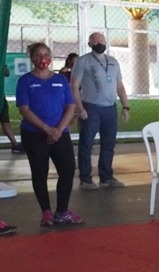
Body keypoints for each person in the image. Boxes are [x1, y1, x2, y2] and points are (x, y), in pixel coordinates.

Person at [16, 42, 82, 226]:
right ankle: (46, 211)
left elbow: (70, 105)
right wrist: (47, 129)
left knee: (68, 169)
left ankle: (62, 211)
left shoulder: (61, 80)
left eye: (46, 54)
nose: (42, 58)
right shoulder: (26, 81)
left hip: (60, 133)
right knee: (39, 171)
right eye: (38, 55)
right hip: (34, 134)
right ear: (31, 59)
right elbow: (24, 110)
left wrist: (59, 129)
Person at [73, 32, 129, 190]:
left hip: (110, 108)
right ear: (90, 44)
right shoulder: (83, 61)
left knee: (109, 144)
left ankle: (106, 176)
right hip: (91, 107)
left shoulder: (113, 62)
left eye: (102, 40)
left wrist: (125, 106)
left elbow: (120, 86)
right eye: (96, 41)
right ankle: (85, 179)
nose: (100, 43)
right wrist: (80, 108)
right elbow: (74, 86)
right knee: (86, 144)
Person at [1, 64, 21, 153]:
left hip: (0, 96)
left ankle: (15, 144)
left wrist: (3, 68)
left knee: (5, 120)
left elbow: (7, 73)